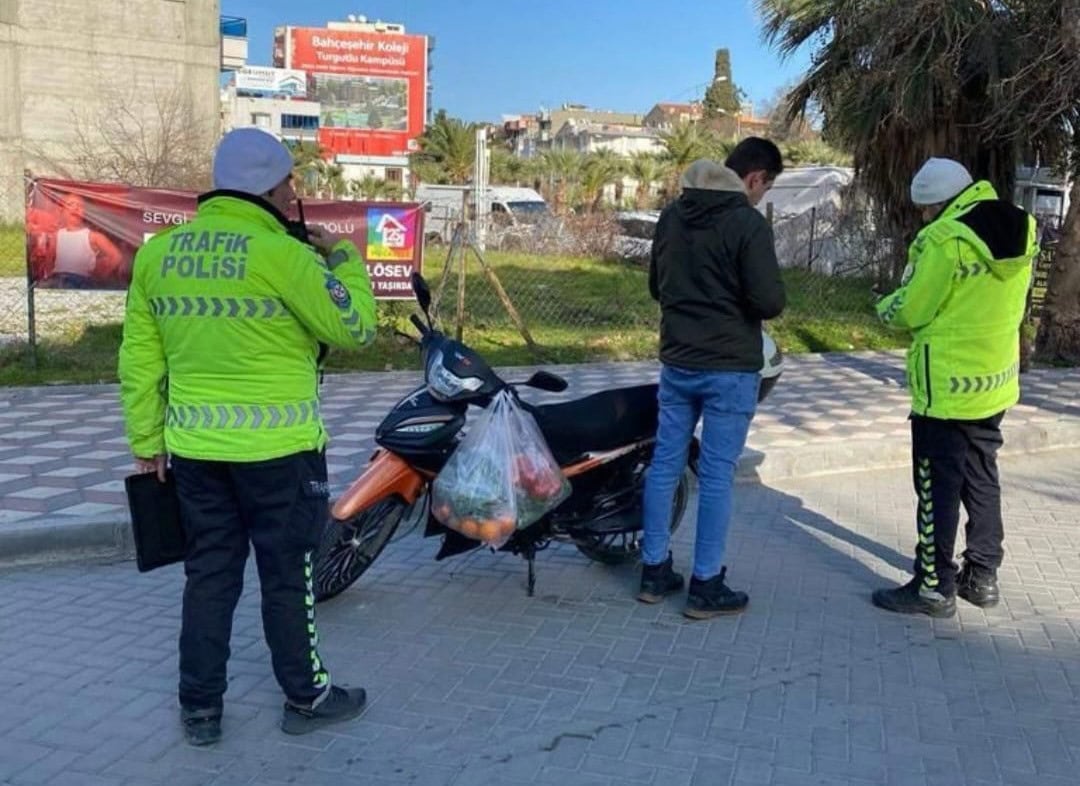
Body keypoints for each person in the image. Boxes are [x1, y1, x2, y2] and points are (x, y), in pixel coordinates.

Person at [119, 127, 379, 746]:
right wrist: (345, 261)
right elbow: (355, 327)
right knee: (287, 577)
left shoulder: (160, 256)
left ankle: (200, 710)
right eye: (290, 182)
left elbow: (140, 358)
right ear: (269, 187)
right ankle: (307, 698)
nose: (293, 194)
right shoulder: (283, 256)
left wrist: (147, 442)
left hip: (196, 454)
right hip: (281, 454)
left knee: (209, 576)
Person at [872, 157, 1038, 618]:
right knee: (982, 475)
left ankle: (933, 586)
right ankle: (982, 576)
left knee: (935, 486)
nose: (924, 217)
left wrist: (884, 306)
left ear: (941, 203)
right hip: (993, 382)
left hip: (945, 387)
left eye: (926, 209)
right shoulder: (1022, 225)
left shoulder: (945, 240)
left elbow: (914, 308)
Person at [639, 138, 786, 619]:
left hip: (678, 362)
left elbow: (656, 286)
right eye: (765, 188)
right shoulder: (747, 223)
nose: (761, 197)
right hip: (730, 368)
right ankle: (705, 584)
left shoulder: (672, 216)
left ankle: (653, 570)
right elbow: (769, 301)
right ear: (755, 178)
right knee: (717, 475)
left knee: (665, 464)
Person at [50, 193, 123, 287]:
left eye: (80, 206)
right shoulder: (57, 235)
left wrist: (100, 274)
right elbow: (49, 261)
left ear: (85, 212)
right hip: (57, 280)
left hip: (79, 282)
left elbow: (116, 256)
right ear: (62, 210)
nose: (75, 208)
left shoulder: (93, 236)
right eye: (70, 204)